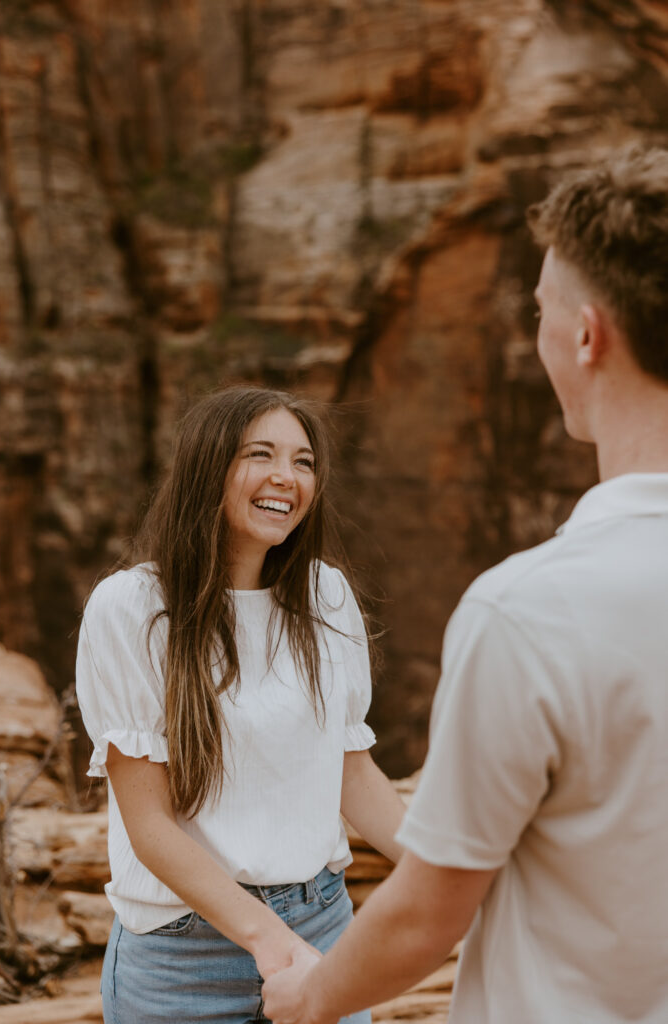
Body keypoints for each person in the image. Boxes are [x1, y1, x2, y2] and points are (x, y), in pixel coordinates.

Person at [261, 145, 668, 1024]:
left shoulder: (526, 612)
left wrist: (308, 997)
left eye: (541, 311)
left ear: (585, 334)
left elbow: (431, 909)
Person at [75, 385, 406, 1024]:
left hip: (323, 928)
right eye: (261, 454)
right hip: (182, 965)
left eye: (304, 462)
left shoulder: (325, 595)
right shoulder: (132, 608)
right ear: (208, 468)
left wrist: (454, 875)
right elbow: (150, 827)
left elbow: (353, 773)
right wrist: (273, 945)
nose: (286, 477)